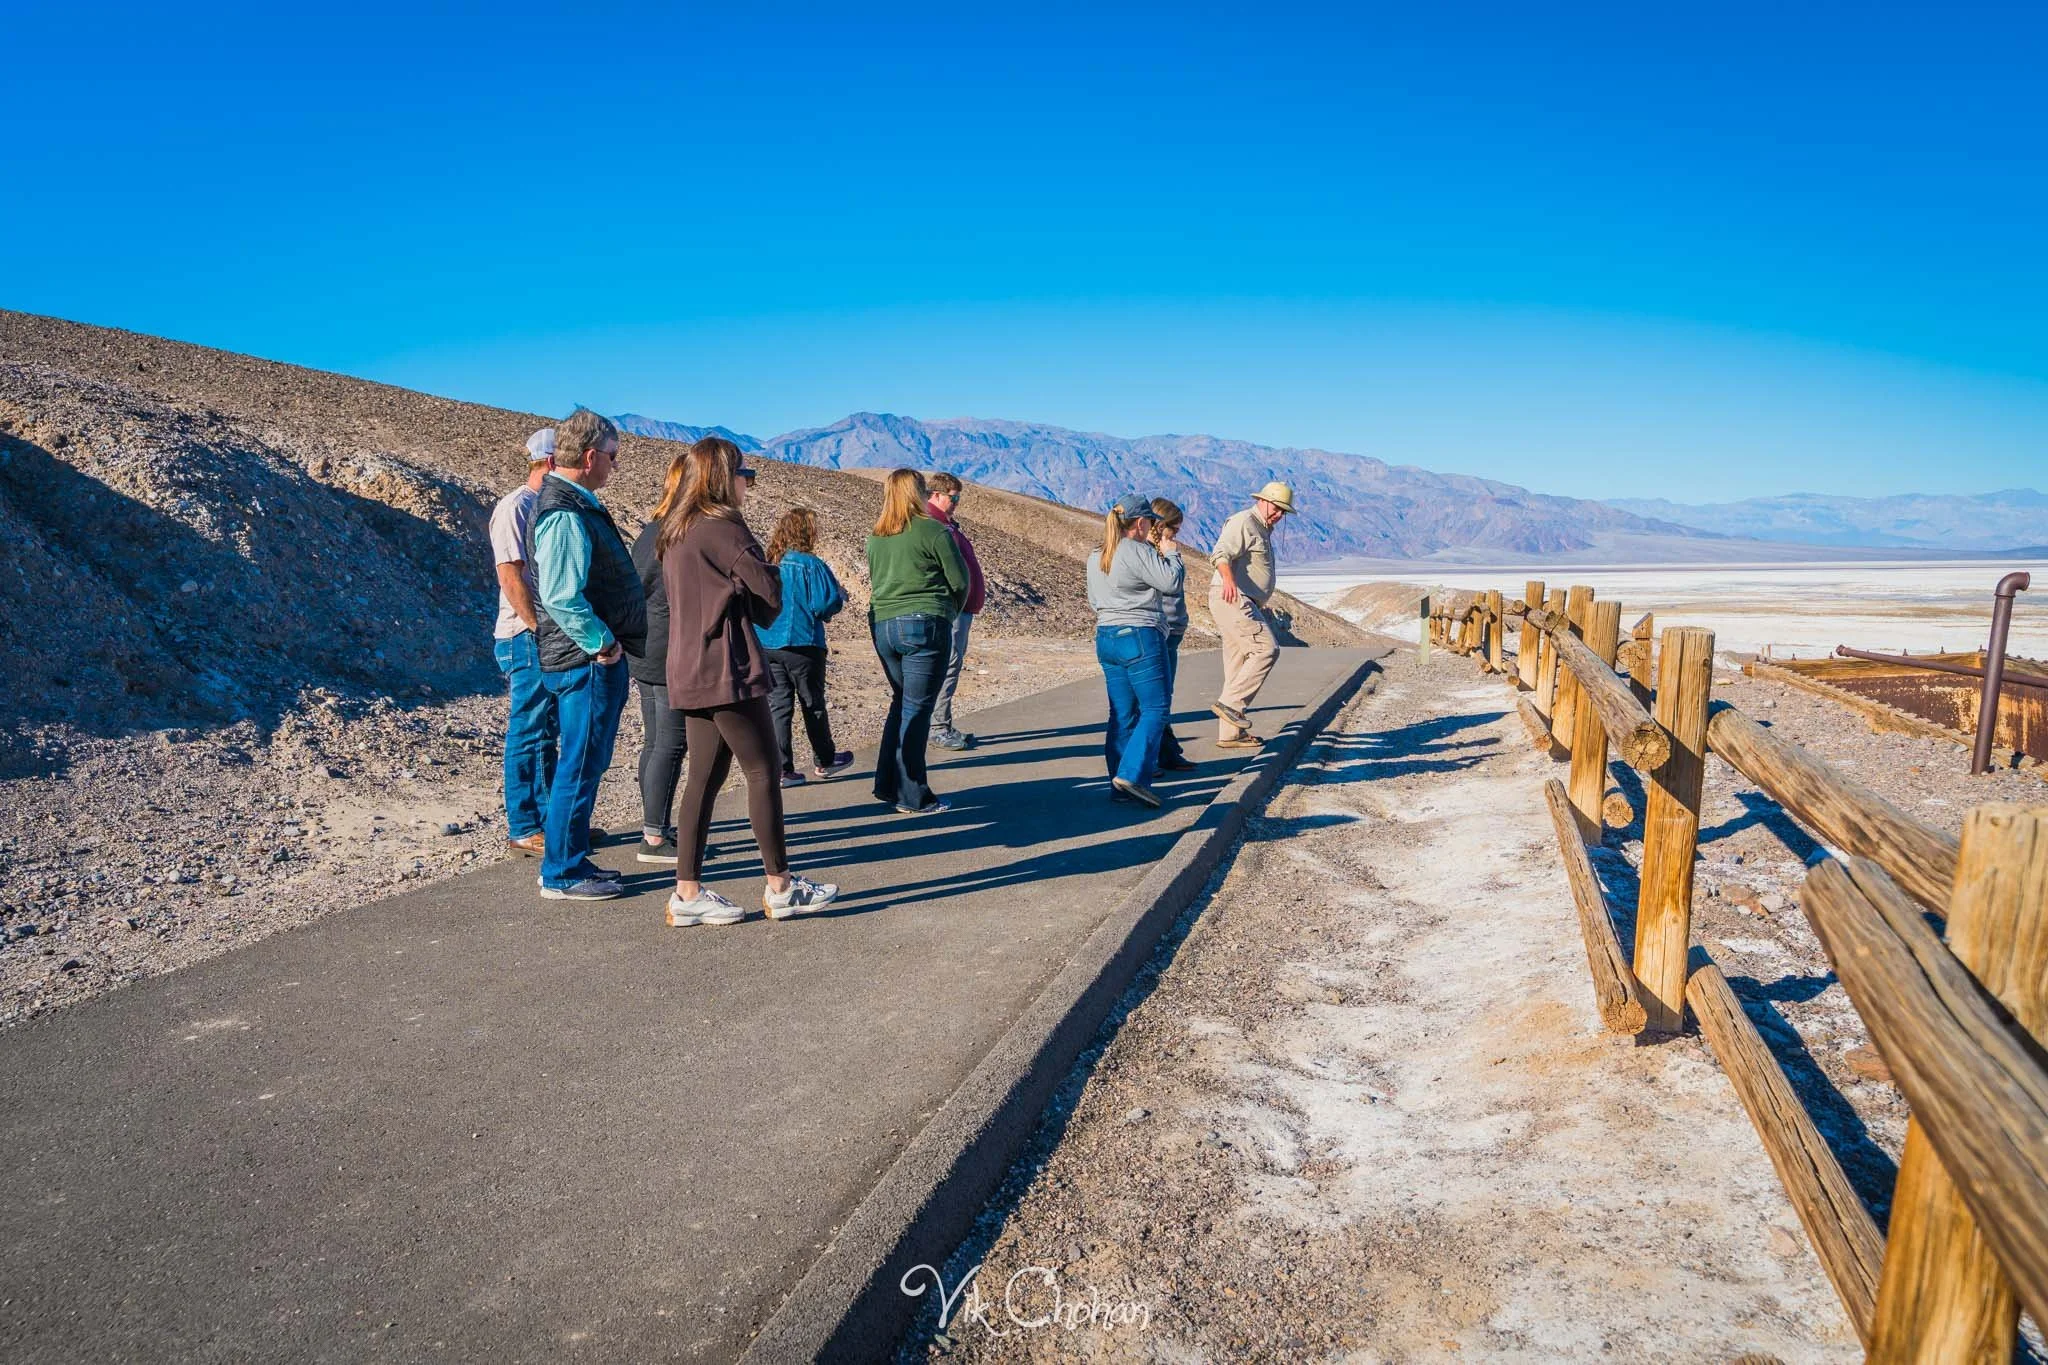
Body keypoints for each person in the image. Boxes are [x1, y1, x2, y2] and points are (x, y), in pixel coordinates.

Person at [660, 437, 840, 926]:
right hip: (727, 668)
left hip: (690, 667)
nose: (749, 485)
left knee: (703, 779)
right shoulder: (724, 529)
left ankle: (687, 892)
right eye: (746, 475)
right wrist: (756, 579)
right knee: (762, 772)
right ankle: (781, 886)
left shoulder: (678, 529)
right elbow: (768, 591)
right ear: (724, 476)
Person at [531, 411, 645, 901]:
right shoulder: (565, 512)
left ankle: (570, 857)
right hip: (586, 662)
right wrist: (602, 643)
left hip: (585, 659)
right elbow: (561, 594)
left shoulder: (573, 505)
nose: (614, 468)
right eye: (613, 458)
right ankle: (562, 872)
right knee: (579, 762)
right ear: (592, 456)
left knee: (585, 760)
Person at [865, 468, 970, 815]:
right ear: (919, 493)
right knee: (918, 709)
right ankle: (913, 796)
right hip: (924, 624)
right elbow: (959, 580)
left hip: (883, 626)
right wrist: (947, 611)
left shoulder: (877, 536)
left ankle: (887, 783)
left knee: (901, 703)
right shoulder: (933, 530)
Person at [1087, 491, 1184, 808]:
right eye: (1149, 522)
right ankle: (1132, 774)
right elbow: (1170, 583)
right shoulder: (1135, 550)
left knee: (1122, 712)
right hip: (1139, 636)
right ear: (1140, 522)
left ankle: (1119, 783)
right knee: (1155, 709)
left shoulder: (1097, 554)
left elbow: (1093, 601)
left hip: (1106, 637)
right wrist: (1172, 555)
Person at [490, 428, 560, 858]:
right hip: (523, 634)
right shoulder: (516, 507)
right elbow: (510, 573)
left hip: (540, 632)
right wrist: (537, 625)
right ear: (550, 463)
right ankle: (524, 825)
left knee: (546, 728)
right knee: (529, 728)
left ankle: (554, 820)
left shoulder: (540, 505)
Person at [757, 507, 855, 786]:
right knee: (812, 703)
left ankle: (781, 768)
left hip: (768, 643)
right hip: (804, 642)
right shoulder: (811, 564)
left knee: (779, 705)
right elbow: (826, 603)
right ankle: (824, 759)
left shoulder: (769, 562)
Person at [626, 461, 689, 864]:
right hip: (667, 649)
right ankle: (654, 836)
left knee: (654, 741)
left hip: (645, 646)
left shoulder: (650, 531)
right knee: (671, 741)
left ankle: (655, 825)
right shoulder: (675, 534)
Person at [1209, 481, 1296, 749]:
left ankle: (1230, 734)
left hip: (1245, 600)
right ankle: (1231, 704)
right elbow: (1221, 553)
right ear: (1263, 501)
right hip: (1233, 597)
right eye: (1277, 508)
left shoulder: (1262, 528)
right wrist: (1229, 581)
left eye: (1284, 511)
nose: (1279, 515)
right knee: (1266, 650)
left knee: (1236, 665)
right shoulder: (1244, 521)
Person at [923, 472, 986, 751]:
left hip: (960, 608)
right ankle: (937, 727)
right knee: (947, 664)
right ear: (935, 495)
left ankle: (942, 723)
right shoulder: (934, 525)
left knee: (951, 664)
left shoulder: (946, 524)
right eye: (953, 496)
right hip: (951, 609)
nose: (956, 502)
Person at [1149, 497, 1197, 773]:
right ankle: (1151, 755)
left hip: (1174, 629)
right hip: (1160, 629)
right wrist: (1172, 555)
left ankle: (1167, 751)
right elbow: (1170, 584)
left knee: (1165, 694)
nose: (1176, 536)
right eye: (1173, 529)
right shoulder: (1152, 554)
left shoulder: (1164, 551)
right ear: (1160, 525)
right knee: (1156, 696)